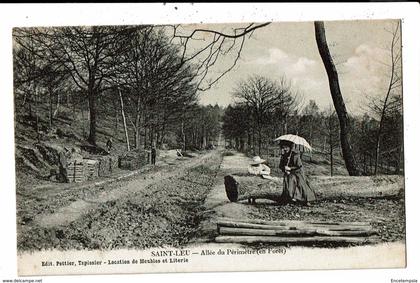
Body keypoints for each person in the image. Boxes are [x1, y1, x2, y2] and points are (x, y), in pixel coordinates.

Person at [279, 142, 316, 206]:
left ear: (290, 147)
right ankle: (289, 199)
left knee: (300, 185)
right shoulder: (283, 156)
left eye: (286, 147)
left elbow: (299, 166)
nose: (285, 149)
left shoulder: (295, 155)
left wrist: (290, 168)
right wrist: (284, 169)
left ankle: (304, 200)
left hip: (297, 172)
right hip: (288, 173)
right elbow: (280, 166)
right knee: (288, 184)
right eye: (283, 147)